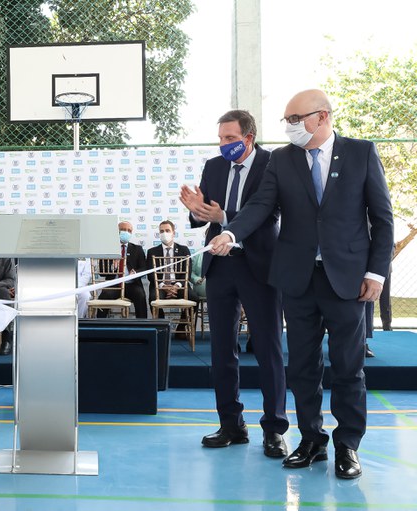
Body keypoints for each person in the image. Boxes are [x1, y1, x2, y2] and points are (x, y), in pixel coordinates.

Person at [209, 90, 394, 479]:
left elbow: (382, 218)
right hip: (297, 279)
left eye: (296, 119)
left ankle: (347, 445)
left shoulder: (361, 153)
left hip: (347, 281)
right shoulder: (282, 159)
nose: (289, 126)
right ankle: (312, 439)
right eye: (287, 120)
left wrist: (376, 273)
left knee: (348, 367)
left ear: (322, 116)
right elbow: (261, 205)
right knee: (303, 368)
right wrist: (231, 234)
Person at [180, 110, 288, 459]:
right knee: (222, 349)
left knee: (268, 349)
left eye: (230, 138)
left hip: (259, 265)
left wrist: (224, 218)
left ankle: (274, 428)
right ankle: (231, 424)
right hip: (220, 266)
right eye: (221, 138)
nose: (223, 144)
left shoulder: (274, 163)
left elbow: (266, 212)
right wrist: (197, 212)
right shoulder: (213, 166)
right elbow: (202, 215)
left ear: (249, 137)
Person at [96, 221, 147, 318]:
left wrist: (136, 272)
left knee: (140, 295)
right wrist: (112, 267)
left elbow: (144, 267)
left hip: (132, 284)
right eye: (123, 230)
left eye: (129, 230)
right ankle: (99, 326)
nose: (126, 232)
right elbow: (101, 272)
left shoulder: (137, 249)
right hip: (114, 284)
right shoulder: (108, 248)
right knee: (104, 296)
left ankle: (143, 326)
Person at [146, 220, 191, 316]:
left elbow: (188, 273)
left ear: (173, 233)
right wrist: (164, 286)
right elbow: (150, 276)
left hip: (179, 285)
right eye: (161, 231)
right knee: (153, 298)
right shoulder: (152, 252)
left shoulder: (184, 250)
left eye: (167, 230)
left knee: (193, 297)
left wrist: (176, 286)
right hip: (160, 286)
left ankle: (182, 326)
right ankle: (162, 327)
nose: (164, 233)